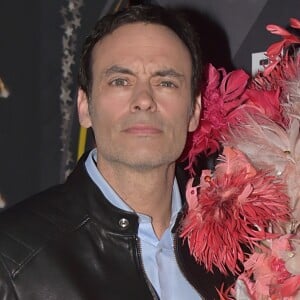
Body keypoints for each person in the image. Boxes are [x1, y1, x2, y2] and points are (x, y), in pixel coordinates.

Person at [0, 4, 234, 299]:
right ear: (84, 108)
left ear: (194, 111)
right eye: (120, 81)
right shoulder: (12, 262)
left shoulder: (241, 251)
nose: (144, 100)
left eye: (166, 82)